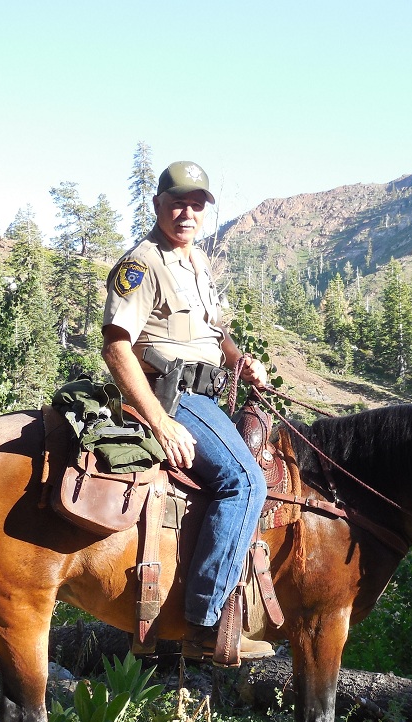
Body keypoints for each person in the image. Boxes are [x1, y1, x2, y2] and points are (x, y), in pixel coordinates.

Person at [101, 160, 274, 665]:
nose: (186, 212)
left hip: (208, 392)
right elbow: (116, 347)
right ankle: (203, 623)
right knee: (245, 482)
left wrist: (244, 362)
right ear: (157, 204)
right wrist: (160, 419)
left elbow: (215, 336)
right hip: (173, 396)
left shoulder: (196, 264)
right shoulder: (142, 263)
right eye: (177, 201)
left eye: (196, 204)